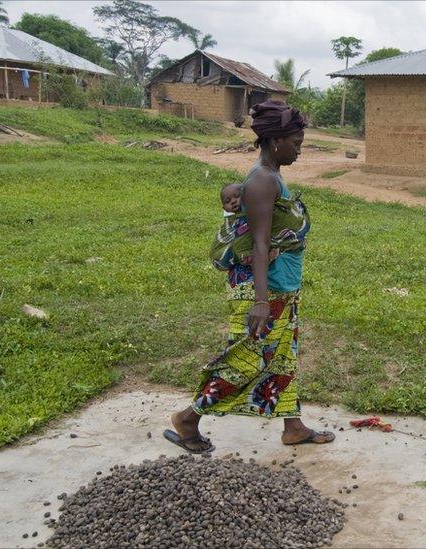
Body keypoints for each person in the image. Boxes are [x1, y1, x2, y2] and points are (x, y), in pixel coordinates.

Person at [164, 100, 334, 453]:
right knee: (246, 359)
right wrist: (260, 301)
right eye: (297, 143)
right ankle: (188, 418)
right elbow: (258, 244)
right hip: (263, 289)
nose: (300, 150)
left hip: (281, 284)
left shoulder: (272, 175)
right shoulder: (261, 181)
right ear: (276, 142)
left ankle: (293, 426)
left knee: (283, 355)